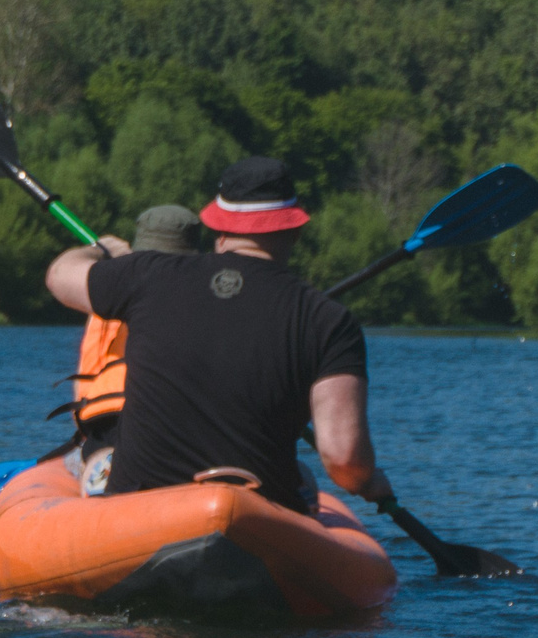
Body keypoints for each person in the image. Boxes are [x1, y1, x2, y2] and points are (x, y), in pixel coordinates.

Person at [45, 157, 394, 513]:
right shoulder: (328, 320)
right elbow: (343, 458)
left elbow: (60, 276)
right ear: (295, 230)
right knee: (306, 477)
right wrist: (368, 482)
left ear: (218, 228)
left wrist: (104, 251)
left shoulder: (147, 275)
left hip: (140, 504)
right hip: (260, 511)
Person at [62, 203, 195, 452]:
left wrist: (97, 251)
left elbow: (61, 275)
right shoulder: (206, 298)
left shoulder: (109, 295)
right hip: (174, 436)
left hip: (107, 429)